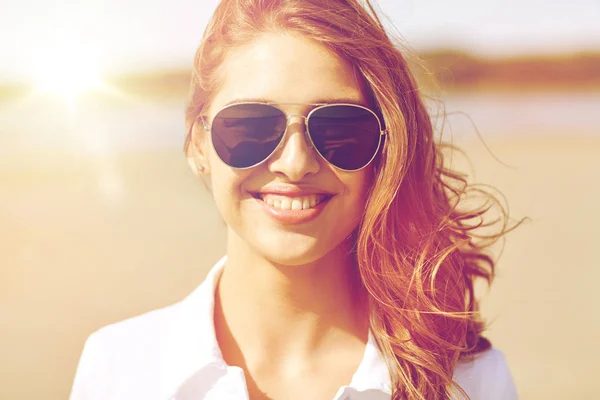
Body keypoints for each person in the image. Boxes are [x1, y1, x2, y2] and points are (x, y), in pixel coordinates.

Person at [69, 0, 519, 399]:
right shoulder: (119, 370)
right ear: (196, 145)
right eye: (250, 125)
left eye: (340, 129)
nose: (296, 162)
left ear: (385, 149)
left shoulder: (469, 382)